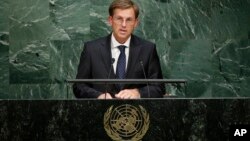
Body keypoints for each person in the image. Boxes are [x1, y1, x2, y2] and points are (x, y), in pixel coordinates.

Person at [73, 0, 164, 99]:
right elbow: (79, 86)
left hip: (136, 112)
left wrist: (138, 92)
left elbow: (159, 87)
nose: (124, 25)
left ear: (136, 23)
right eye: (119, 19)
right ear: (110, 20)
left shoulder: (147, 49)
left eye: (129, 20)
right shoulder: (91, 49)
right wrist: (99, 96)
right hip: (100, 111)